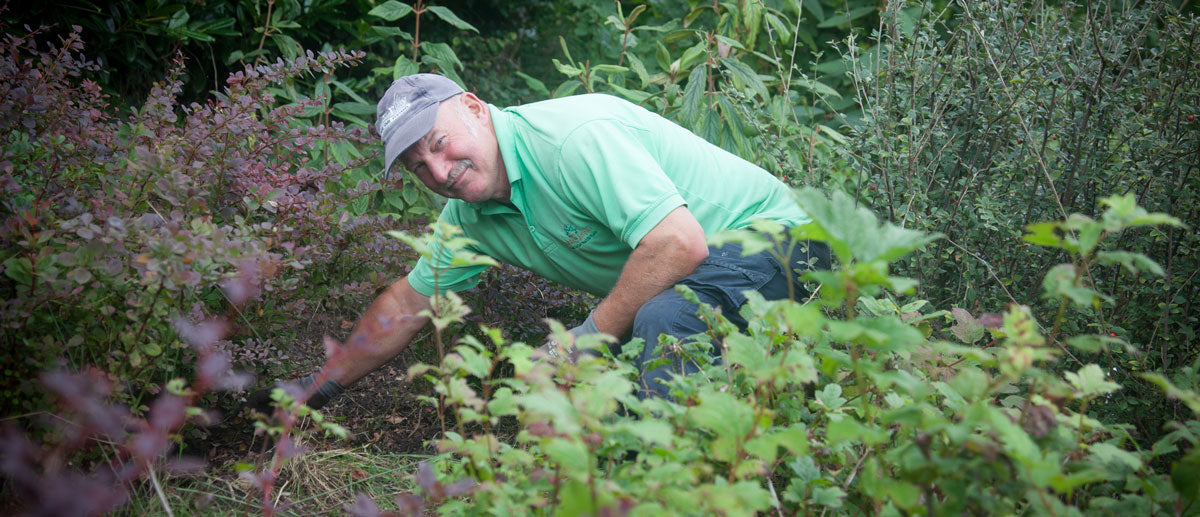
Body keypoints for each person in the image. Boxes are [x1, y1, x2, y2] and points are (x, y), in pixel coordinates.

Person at [248, 73, 828, 410]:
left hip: (785, 243)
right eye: (416, 164)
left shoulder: (573, 139)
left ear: (475, 108)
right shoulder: (471, 215)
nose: (438, 169)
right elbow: (406, 306)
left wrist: (584, 337)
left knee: (661, 322)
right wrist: (317, 387)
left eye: (440, 142)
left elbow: (679, 244)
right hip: (705, 276)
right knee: (610, 380)